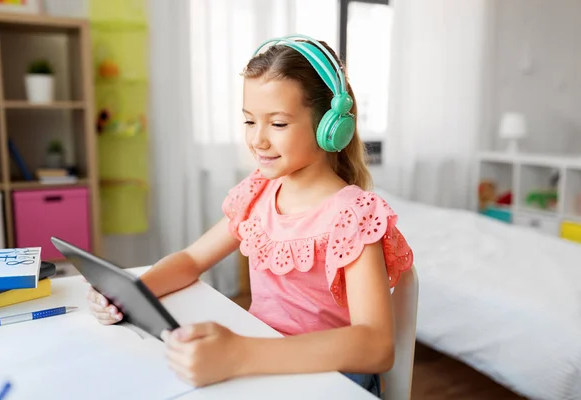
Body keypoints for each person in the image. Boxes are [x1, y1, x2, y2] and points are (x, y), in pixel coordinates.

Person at [86, 34, 413, 398]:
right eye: (248, 121)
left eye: (277, 124)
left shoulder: (353, 215)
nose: (258, 140)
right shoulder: (258, 192)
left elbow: (376, 346)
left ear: (329, 127)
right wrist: (135, 293)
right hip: (261, 363)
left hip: (329, 379)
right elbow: (193, 258)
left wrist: (240, 354)